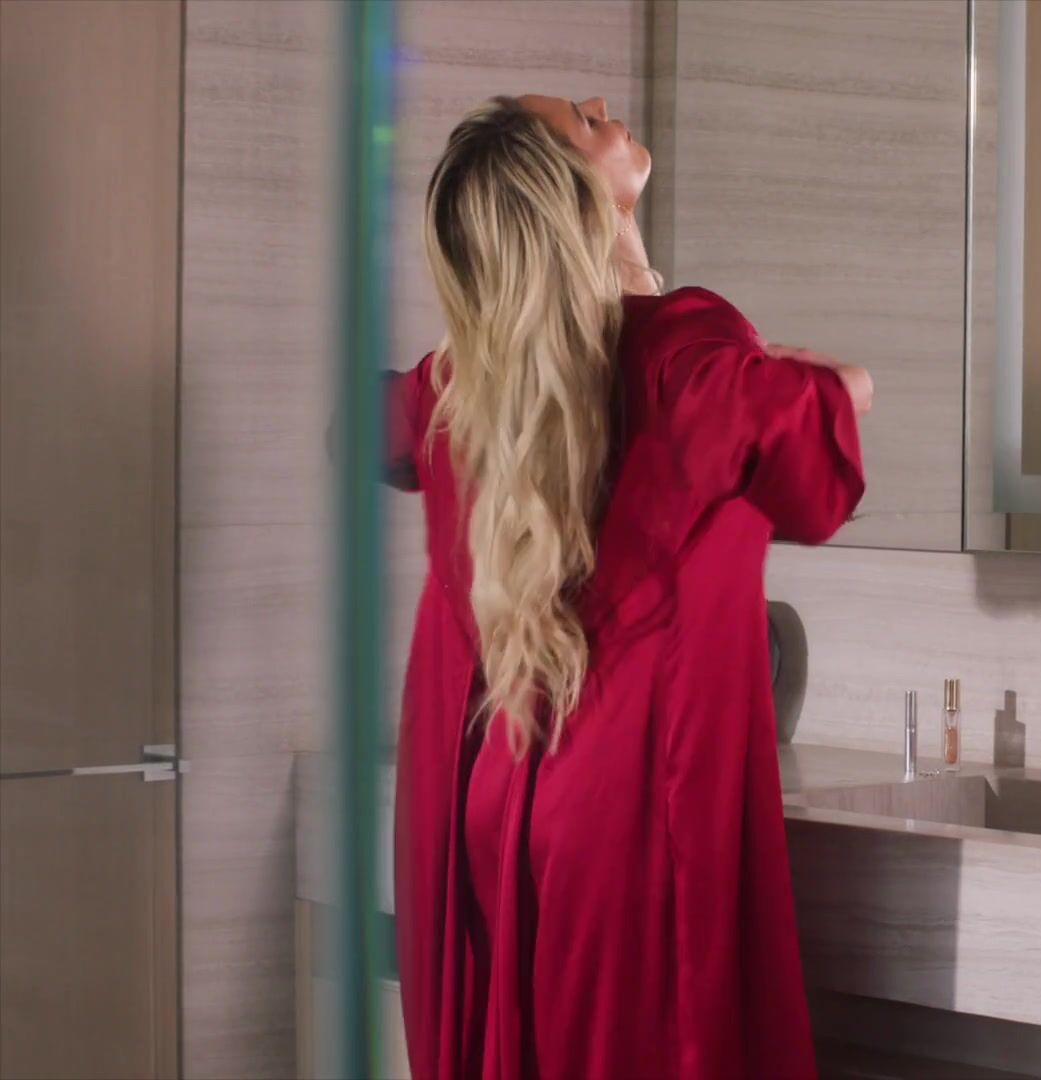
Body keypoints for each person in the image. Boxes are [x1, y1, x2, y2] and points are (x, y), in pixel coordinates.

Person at [382, 95, 871, 1080]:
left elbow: (372, 428)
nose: (604, 108)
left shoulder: (471, 379)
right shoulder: (683, 343)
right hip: (631, 821)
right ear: (573, 195)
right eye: (581, 119)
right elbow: (814, 465)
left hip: (493, 805)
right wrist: (839, 383)